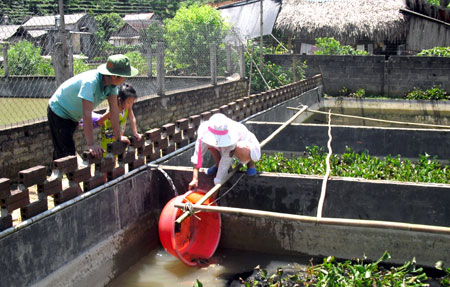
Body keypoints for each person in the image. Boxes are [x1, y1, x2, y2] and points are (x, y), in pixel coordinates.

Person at [47, 54, 138, 160]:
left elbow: (114, 111)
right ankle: (61, 173)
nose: (125, 79)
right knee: (67, 154)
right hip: (60, 111)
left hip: (73, 115)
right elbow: (87, 114)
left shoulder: (111, 86)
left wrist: (118, 137)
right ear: (115, 76)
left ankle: (56, 171)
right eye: (124, 76)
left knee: (62, 148)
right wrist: (91, 145)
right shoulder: (90, 83)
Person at [188, 113, 261, 190]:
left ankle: (250, 164)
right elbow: (198, 156)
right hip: (223, 148)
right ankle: (217, 163)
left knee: (240, 147)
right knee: (209, 144)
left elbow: (225, 163)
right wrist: (195, 179)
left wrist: (217, 184)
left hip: (247, 146)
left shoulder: (234, 134)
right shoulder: (204, 132)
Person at [96, 83, 142, 156]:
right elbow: (101, 122)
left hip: (119, 138)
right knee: (109, 161)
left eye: (132, 103)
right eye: (128, 103)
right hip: (109, 140)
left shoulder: (127, 108)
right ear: (120, 100)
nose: (130, 105)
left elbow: (132, 118)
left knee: (119, 159)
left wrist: (135, 132)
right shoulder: (112, 110)